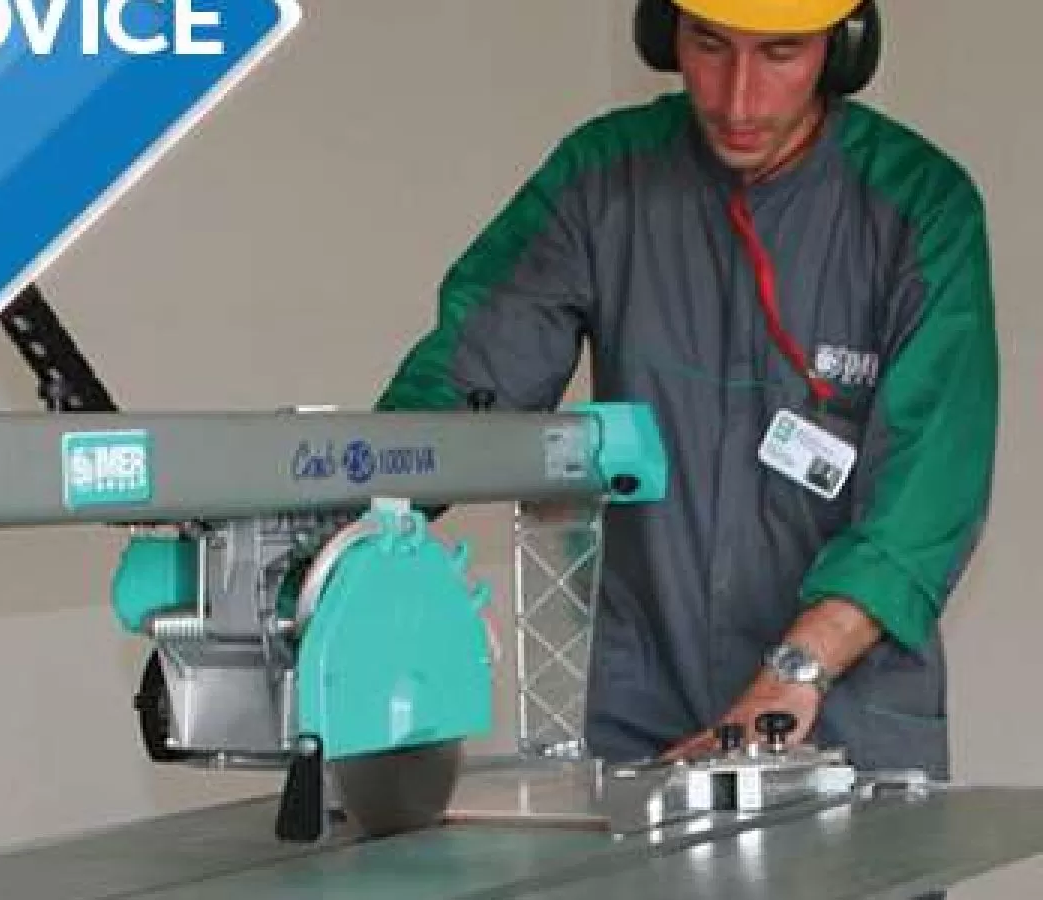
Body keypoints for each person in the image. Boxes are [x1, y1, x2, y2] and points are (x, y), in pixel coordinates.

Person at [375, 0, 999, 784]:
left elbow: (929, 494)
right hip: (643, 714)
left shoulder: (920, 209)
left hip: (842, 717)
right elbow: (466, 384)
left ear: (842, 48)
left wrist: (798, 670)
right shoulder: (605, 179)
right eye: (709, 45)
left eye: (779, 53)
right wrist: (346, 526)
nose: (737, 99)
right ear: (662, 31)